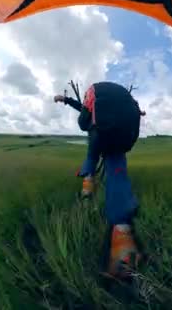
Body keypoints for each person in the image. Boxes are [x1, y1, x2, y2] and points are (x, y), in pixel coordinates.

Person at [54, 81, 144, 279]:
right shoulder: (120, 95)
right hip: (125, 131)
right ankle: (123, 239)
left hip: (101, 131)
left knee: (92, 155)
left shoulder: (94, 94)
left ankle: (87, 187)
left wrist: (66, 100)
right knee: (117, 170)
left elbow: (84, 111)